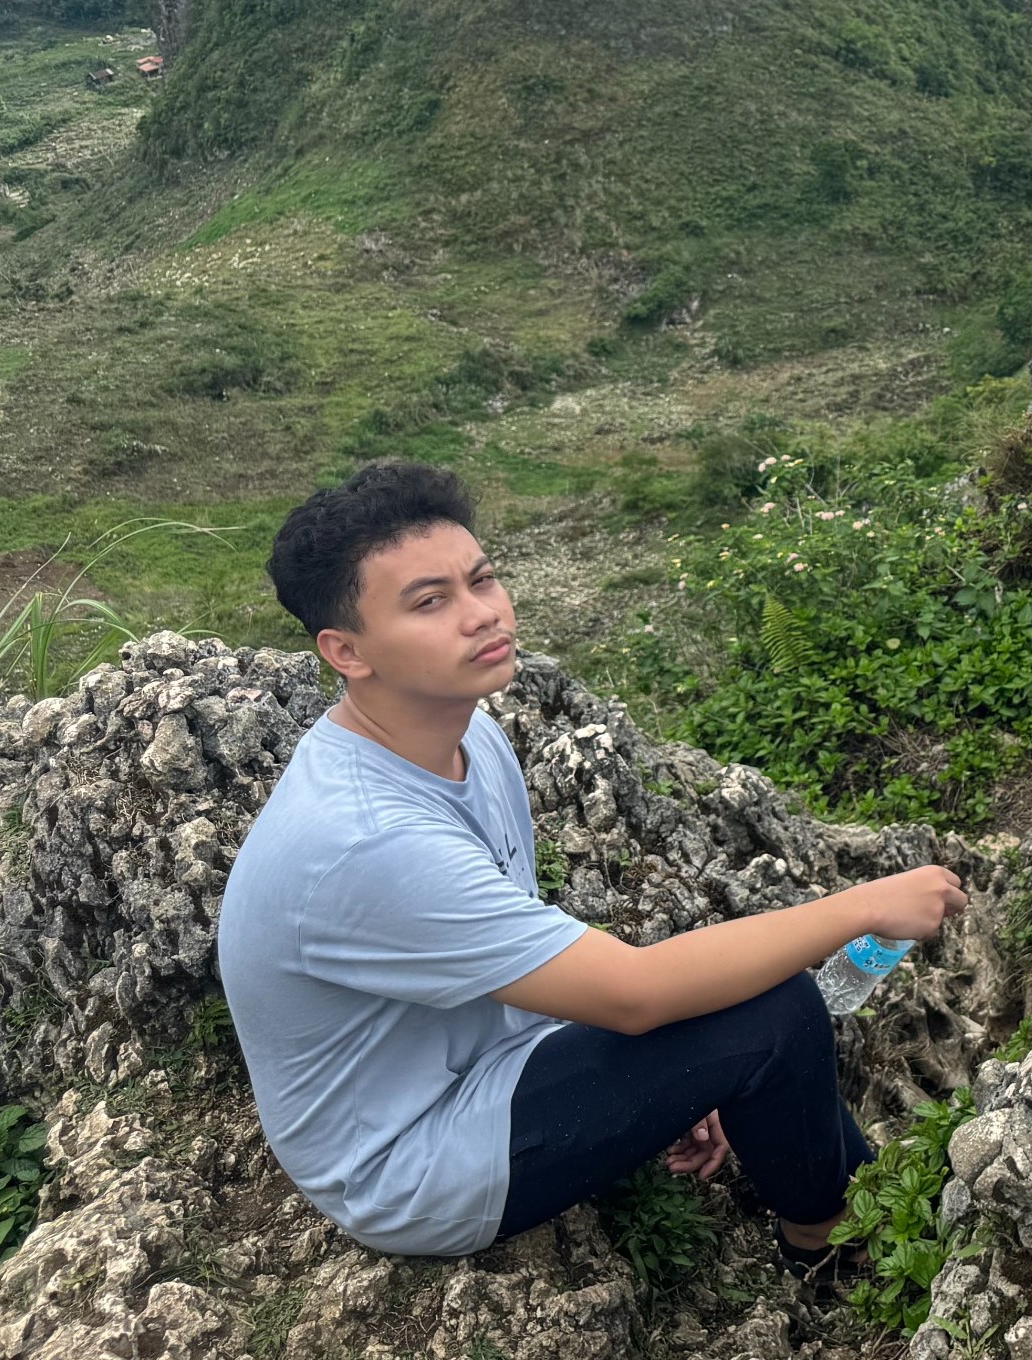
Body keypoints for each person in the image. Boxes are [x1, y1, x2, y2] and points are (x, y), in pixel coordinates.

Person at [219, 461, 968, 1270]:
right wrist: (859, 907)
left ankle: (839, 1203)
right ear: (346, 650)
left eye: (482, 579)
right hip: (409, 1166)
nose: (483, 615)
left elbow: (529, 959)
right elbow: (636, 997)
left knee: (732, 999)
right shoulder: (365, 839)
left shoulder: (467, 739)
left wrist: (681, 1076)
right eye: (430, 602)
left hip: (485, 1065)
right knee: (771, 1008)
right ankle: (836, 1248)